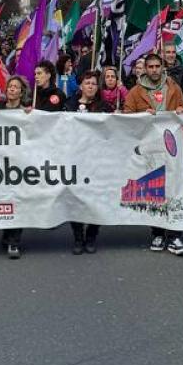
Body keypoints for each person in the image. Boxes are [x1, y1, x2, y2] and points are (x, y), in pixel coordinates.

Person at [125, 52, 183, 257]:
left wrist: (181, 109)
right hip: (150, 150)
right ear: (145, 69)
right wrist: (140, 116)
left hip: (171, 148)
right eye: (150, 67)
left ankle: (175, 236)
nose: (153, 70)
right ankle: (157, 233)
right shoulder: (135, 92)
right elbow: (126, 117)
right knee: (155, 191)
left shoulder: (173, 87)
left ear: (162, 67)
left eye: (156, 66)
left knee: (174, 189)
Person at [65, 68, 108, 254]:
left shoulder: (104, 107)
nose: (90, 86)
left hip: (97, 159)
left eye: (93, 84)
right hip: (75, 158)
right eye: (87, 83)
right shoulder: (69, 104)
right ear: (81, 86)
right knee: (75, 198)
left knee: (96, 198)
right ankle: (78, 237)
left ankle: (91, 235)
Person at [0, 75, 31, 257]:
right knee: (3, 198)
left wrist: (32, 116)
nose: (12, 89)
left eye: (16, 87)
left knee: (18, 200)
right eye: (10, 86)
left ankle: (14, 242)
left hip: (19, 163)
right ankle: (6, 232)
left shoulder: (26, 112)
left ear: (21, 91)